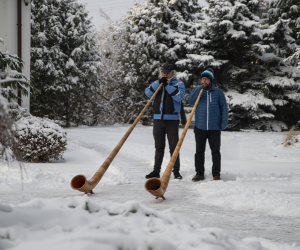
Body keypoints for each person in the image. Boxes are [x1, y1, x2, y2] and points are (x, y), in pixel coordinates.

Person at [145, 63, 185, 179]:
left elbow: (179, 96)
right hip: (158, 119)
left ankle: (176, 171)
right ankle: (156, 171)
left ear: (173, 73)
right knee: (159, 147)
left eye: (167, 72)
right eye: (163, 72)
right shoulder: (158, 83)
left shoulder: (178, 83)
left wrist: (167, 85)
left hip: (172, 120)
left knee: (174, 147)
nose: (165, 74)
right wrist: (159, 83)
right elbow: (147, 93)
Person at [188, 68, 228, 181]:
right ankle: (199, 173)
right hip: (200, 127)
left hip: (214, 127)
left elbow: (224, 108)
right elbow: (190, 101)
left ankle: (216, 174)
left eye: (206, 79)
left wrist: (223, 123)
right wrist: (199, 88)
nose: (203, 81)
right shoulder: (198, 91)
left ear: (210, 80)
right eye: (202, 79)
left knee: (215, 151)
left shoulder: (218, 93)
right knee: (199, 151)